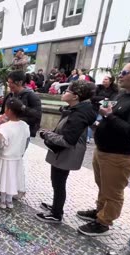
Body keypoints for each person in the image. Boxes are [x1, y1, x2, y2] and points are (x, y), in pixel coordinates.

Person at [77, 59, 130, 236]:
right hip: (104, 150)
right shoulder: (124, 94)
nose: (119, 76)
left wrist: (110, 116)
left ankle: (104, 222)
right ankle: (99, 211)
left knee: (113, 191)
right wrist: (101, 122)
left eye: (125, 73)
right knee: (103, 186)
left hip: (120, 155)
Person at [35, 81, 97, 223]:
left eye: (67, 91)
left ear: (75, 96)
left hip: (67, 154)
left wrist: (46, 134)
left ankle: (56, 214)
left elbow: (68, 140)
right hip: (66, 153)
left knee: (58, 183)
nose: (64, 93)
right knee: (57, 182)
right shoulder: (77, 109)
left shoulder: (79, 114)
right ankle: (56, 207)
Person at [0, 98, 30, 209]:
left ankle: (2, 201)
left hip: (4, 157)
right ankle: (9, 201)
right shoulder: (25, 126)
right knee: (13, 178)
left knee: (4, 178)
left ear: (9, 111)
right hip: (17, 158)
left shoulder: (4, 127)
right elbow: (26, 141)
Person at [0, 70, 42, 137]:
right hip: (9, 131)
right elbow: (2, 112)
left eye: (11, 83)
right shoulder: (9, 96)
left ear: (20, 82)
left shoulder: (31, 96)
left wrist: (22, 108)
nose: (9, 85)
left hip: (24, 133)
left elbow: (37, 116)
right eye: (8, 82)